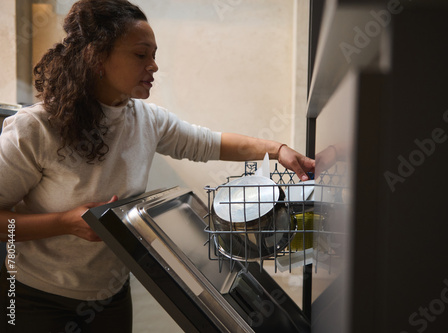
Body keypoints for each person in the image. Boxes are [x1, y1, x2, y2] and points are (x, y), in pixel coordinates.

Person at [0, 0, 315, 332]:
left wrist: (278, 149)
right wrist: (64, 223)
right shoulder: (35, 128)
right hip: (32, 298)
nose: (154, 66)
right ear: (97, 58)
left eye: (154, 55)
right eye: (141, 55)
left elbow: (210, 142)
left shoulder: (146, 120)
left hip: (110, 299)